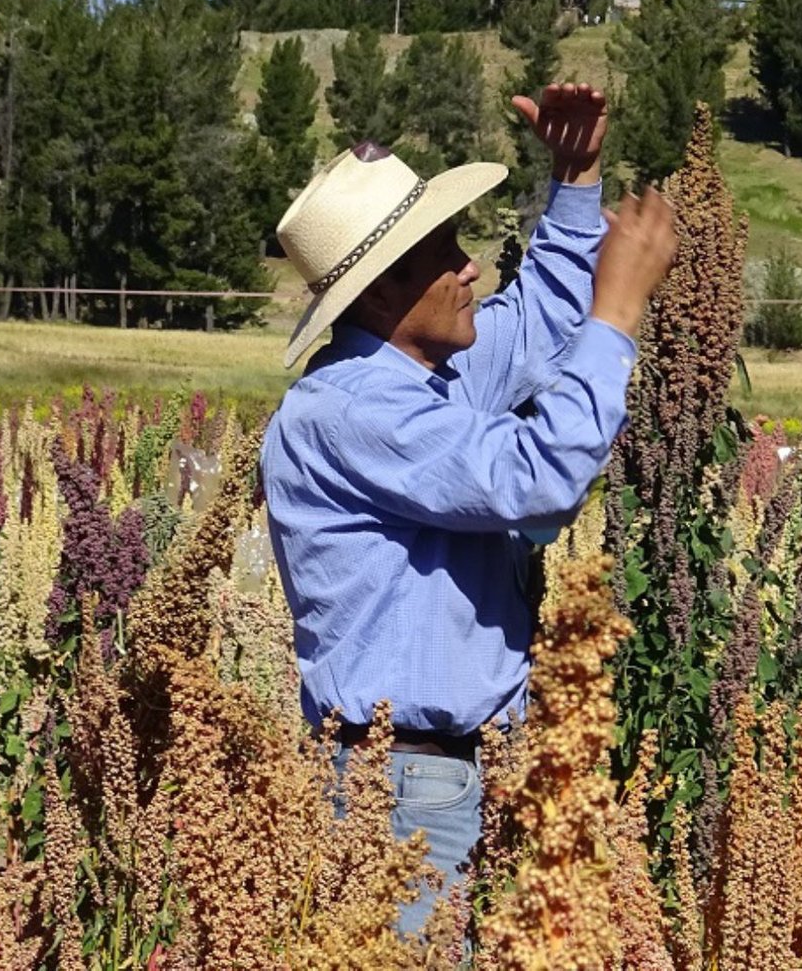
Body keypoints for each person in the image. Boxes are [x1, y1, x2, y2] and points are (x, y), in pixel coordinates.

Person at [260, 82, 678, 935]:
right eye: (444, 254)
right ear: (381, 295)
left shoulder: (428, 377)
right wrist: (619, 312)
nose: (472, 267)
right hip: (397, 797)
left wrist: (576, 178)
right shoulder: (354, 410)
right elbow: (539, 475)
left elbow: (538, 322)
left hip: (446, 783)